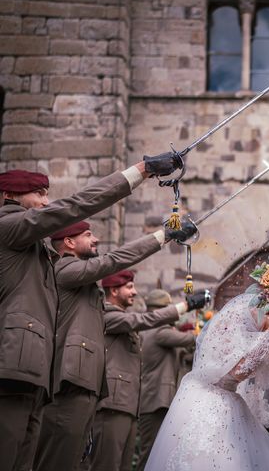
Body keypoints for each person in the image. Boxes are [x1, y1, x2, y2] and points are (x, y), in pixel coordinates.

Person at [0, 152, 183, 471]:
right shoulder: (12, 227)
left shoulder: (36, 250)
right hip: (17, 369)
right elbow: (77, 211)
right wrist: (142, 171)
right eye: (39, 193)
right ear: (8, 196)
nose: (46, 202)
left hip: (34, 373)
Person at [32, 220, 192, 471]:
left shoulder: (87, 290)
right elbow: (115, 266)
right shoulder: (66, 269)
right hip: (81, 389)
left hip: (94, 390)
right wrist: (163, 236)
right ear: (69, 243)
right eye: (88, 234)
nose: (96, 239)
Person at [146, 293, 269, 470]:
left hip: (233, 404)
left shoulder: (268, 336)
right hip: (208, 401)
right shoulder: (237, 320)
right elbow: (237, 373)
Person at [86, 271, 208, 471]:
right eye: (129, 287)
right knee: (115, 462)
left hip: (129, 403)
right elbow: (151, 322)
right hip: (117, 402)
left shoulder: (138, 324)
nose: (134, 292)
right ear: (114, 290)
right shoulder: (113, 316)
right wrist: (189, 308)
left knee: (125, 464)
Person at [138, 289, 197, 471]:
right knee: (149, 454)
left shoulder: (158, 332)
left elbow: (185, 355)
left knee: (162, 455)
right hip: (156, 401)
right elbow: (191, 339)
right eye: (168, 308)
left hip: (161, 401)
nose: (174, 312)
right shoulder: (159, 331)